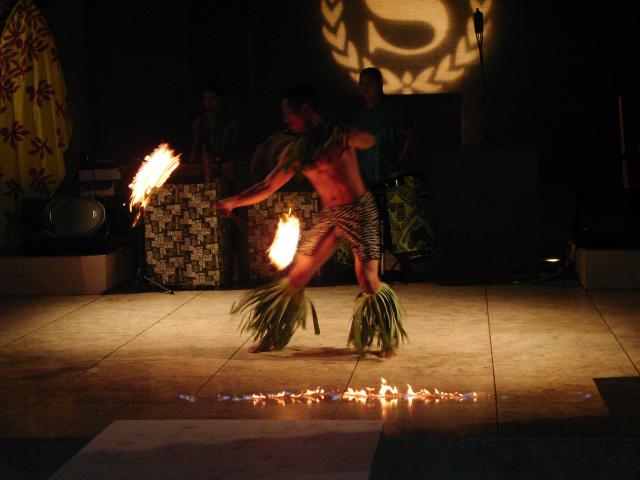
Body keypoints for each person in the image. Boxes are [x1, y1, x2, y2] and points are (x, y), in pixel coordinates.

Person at [216, 85, 406, 357]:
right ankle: (273, 335)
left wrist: (350, 135)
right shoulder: (297, 152)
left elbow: (368, 141)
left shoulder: (337, 136)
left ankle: (388, 338)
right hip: (330, 216)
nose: (286, 119)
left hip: (359, 212)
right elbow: (267, 185)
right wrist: (233, 201)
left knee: (367, 280)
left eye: (289, 113)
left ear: (307, 109)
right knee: (297, 276)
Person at [355, 67, 418, 280]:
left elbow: (410, 137)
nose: (365, 89)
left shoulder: (395, 108)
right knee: (365, 222)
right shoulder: (359, 115)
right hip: (364, 176)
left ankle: (406, 265)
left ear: (380, 85)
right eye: (361, 85)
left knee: (394, 222)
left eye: (369, 84)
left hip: (392, 175)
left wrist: (399, 163)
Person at [190, 82, 239, 191]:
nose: (208, 103)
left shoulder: (230, 122)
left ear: (220, 100)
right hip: (208, 164)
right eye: (205, 99)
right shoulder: (200, 122)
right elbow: (196, 146)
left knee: (229, 191)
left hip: (227, 164)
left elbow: (235, 145)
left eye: (212, 99)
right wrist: (194, 163)